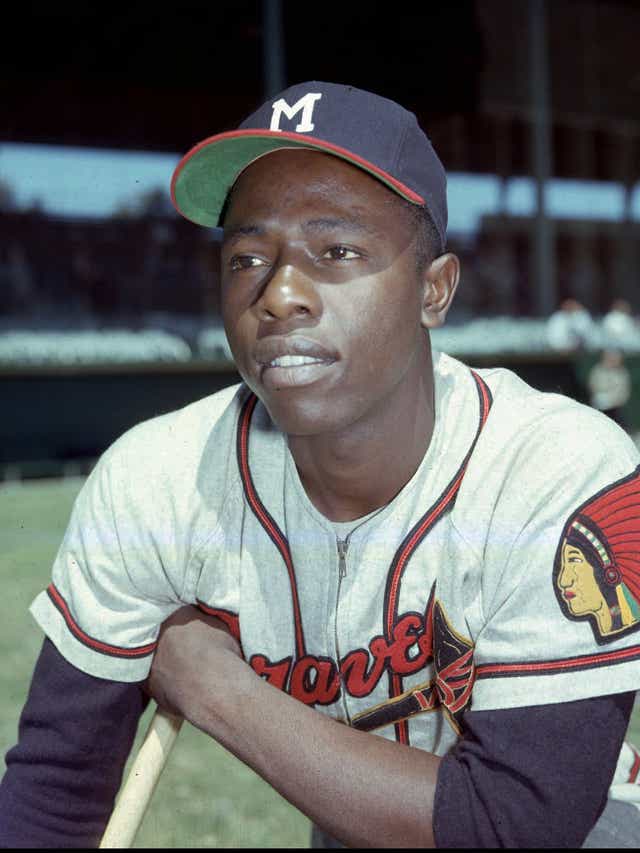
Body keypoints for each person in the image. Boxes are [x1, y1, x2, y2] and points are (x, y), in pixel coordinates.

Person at [2, 80, 640, 849]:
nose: (281, 293)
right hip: (366, 824)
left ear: (434, 290)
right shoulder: (155, 483)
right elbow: (56, 787)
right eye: (248, 257)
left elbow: (517, 823)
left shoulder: (556, 467)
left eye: (336, 250)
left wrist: (218, 689)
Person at [588, 349, 632, 428]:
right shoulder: (598, 370)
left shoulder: (622, 373)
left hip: (615, 408)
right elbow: (593, 385)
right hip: (599, 406)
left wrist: (614, 400)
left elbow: (624, 393)